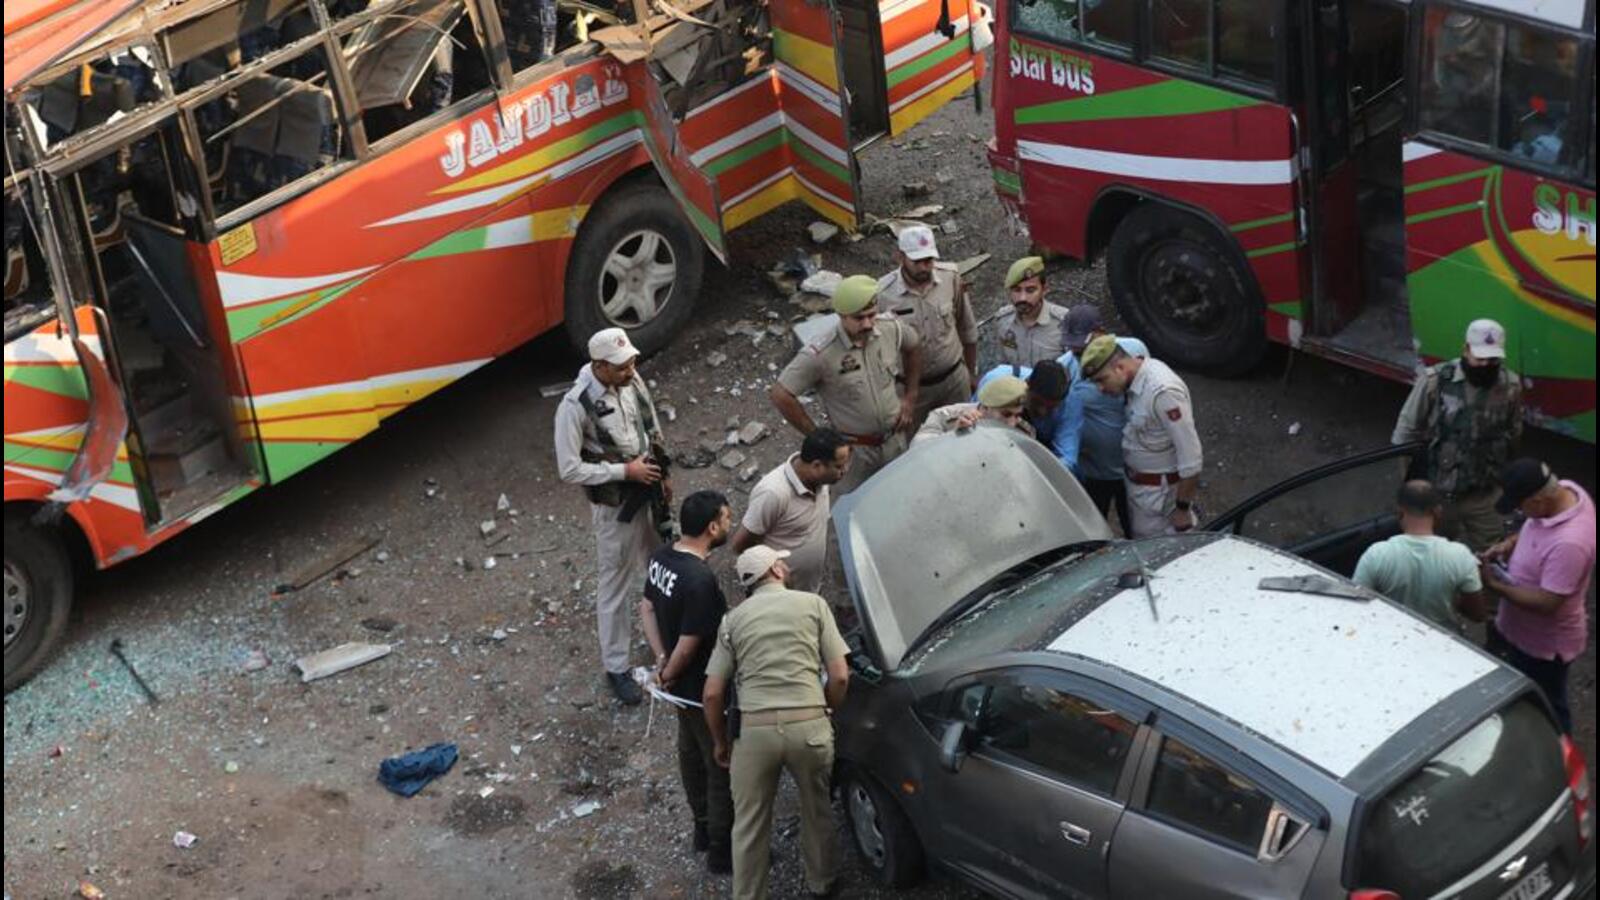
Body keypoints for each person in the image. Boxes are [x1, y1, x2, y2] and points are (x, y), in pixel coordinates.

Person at [703, 546, 851, 900]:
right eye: (780, 561)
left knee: (750, 825)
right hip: (809, 725)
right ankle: (822, 882)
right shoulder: (812, 605)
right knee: (817, 809)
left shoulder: (732, 621)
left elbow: (712, 694)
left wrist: (721, 741)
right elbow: (841, 676)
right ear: (777, 571)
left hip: (754, 734)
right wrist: (826, 709)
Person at [554, 327, 670, 705]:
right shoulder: (574, 406)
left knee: (662, 565)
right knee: (615, 585)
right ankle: (617, 666)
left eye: (631, 362)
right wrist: (624, 472)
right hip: (614, 506)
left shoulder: (631, 378)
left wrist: (661, 474)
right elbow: (569, 469)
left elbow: (651, 425)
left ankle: (668, 637)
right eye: (620, 366)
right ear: (599, 365)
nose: (630, 370)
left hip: (648, 493)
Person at [637, 491, 735, 873]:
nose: (730, 524)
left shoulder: (662, 557)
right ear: (712, 527)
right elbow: (690, 646)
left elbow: (646, 607)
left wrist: (660, 662)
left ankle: (700, 826)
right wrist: (669, 669)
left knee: (689, 752)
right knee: (718, 761)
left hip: (678, 688)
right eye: (727, 519)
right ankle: (721, 848)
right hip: (701, 690)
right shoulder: (700, 580)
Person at [771, 275, 922, 493]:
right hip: (854, 453)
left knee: (901, 495)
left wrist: (910, 398)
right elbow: (781, 394)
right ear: (841, 316)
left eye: (872, 315)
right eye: (859, 318)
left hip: (894, 441)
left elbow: (914, 346)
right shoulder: (822, 352)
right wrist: (817, 436)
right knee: (850, 509)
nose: (868, 324)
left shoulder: (890, 329)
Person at [1480, 459, 1594, 734]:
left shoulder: (1570, 543)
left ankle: (1562, 763)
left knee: (1549, 706)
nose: (1520, 512)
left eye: (1521, 505)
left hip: (1542, 645)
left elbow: (1548, 603)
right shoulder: (1565, 490)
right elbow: (1535, 526)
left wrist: (1497, 588)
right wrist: (1509, 544)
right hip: (1520, 632)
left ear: (1540, 499)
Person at [1392, 318, 1523, 552]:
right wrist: (1413, 487)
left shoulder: (1510, 386)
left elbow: (1513, 431)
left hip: (1484, 493)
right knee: (1431, 552)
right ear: (1466, 350)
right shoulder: (1436, 381)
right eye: (1479, 358)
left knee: (1494, 553)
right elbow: (1405, 433)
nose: (1485, 365)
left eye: (1492, 360)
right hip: (1439, 493)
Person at [1080, 335, 1202, 538]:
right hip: (1140, 489)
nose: (1100, 389)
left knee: (1157, 555)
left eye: (1102, 380)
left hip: (1159, 499)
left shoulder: (1163, 392)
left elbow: (1192, 459)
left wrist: (1182, 508)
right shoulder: (1136, 379)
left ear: (1120, 367)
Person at [1352, 480, 1488, 633]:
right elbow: (1478, 615)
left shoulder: (1376, 555)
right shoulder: (1461, 556)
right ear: (1438, 512)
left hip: (1391, 640)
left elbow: (1356, 605)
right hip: (1444, 645)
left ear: (1399, 511)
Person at [876, 224, 977, 423]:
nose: (925, 267)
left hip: (954, 382)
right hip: (912, 393)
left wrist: (971, 374)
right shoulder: (883, 294)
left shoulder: (950, 277)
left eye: (929, 260)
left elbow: (967, 328)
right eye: (917, 261)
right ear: (900, 257)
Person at [730, 429, 851, 594]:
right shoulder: (773, 493)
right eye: (839, 466)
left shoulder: (823, 480)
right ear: (816, 465)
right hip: (783, 595)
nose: (845, 470)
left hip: (808, 586)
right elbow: (741, 545)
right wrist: (772, 578)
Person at [1061, 308, 1147, 532]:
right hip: (1095, 473)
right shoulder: (1065, 369)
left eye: (1082, 347)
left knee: (1137, 530)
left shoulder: (1134, 350)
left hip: (1137, 467)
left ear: (1100, 332)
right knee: (1094, 531)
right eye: (1073, 349)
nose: (1078, 356)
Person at [968, 362, 1076, 470]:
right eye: (1037, 402)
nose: (1042, 412)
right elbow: (974, 420)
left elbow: (1066, 459)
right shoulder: (994, 382)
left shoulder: (1071, 403)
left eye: (1051, 408)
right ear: (1026, 385)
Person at [993, 255, 1068, 367]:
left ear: (1044, 290)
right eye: (1017, 290)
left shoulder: (1064, 323)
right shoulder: (1003, 321)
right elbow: (1003, 365)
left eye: (1030, 290)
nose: (1022, 298)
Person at [915, 373, 1032, 443]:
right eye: (1006, 415)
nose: (1012, 423)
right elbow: (917, 450)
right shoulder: (944, 417)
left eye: (1017, 416)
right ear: (986, 407)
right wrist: (953, 437)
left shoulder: (1025, 432)